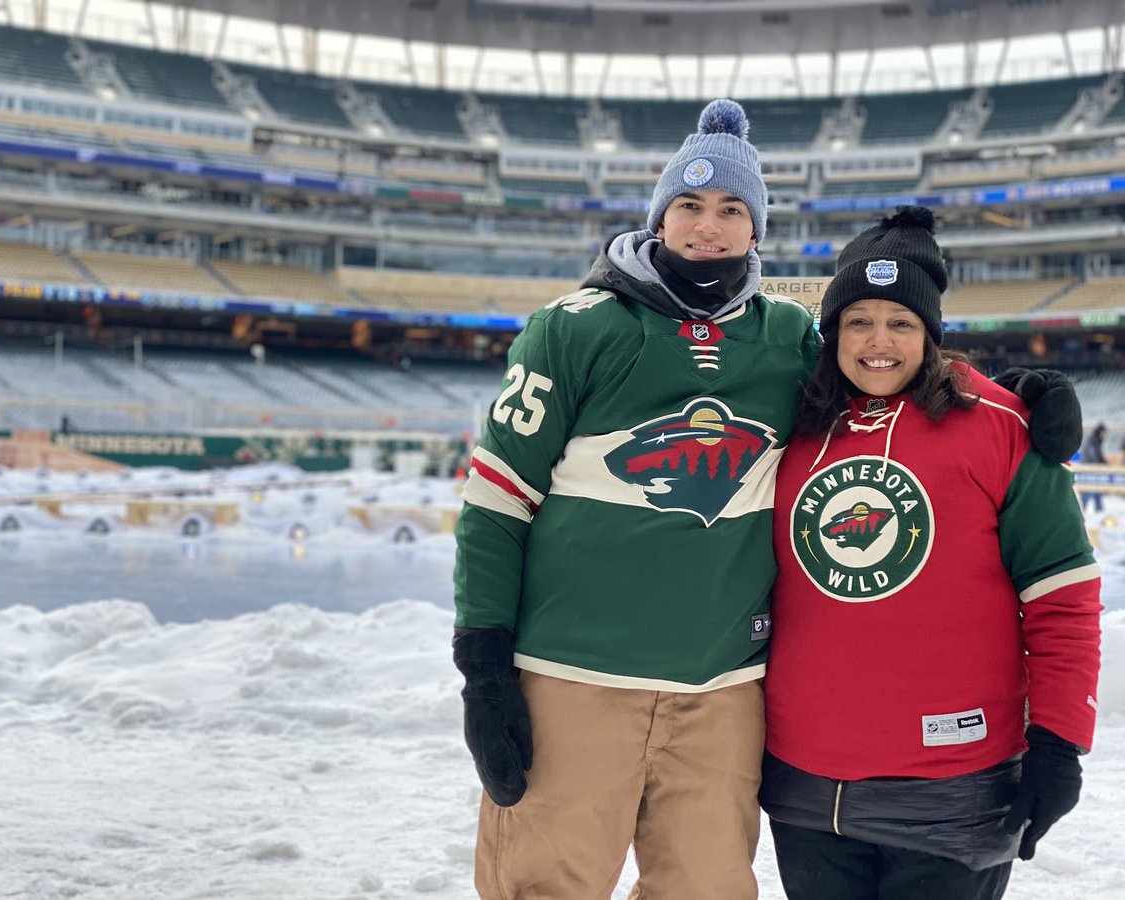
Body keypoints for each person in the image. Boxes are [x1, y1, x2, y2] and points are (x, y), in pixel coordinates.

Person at [452, 99, 1084, 899]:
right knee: (544, 885)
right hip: (575, 678)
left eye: (730, 210)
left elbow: (886, 357)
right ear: (658, 215)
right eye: (689, 204)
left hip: (722, 693)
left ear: (757, 230)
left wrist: (1013, 393)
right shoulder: (573, 329)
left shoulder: (787, 339)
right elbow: (495, 505)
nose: (707, 226)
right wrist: (482, 665)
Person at [760, 206, 1102, 900]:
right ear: (832, 336)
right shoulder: (790, 427)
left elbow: (1063, 603)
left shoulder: (1001, 427)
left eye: (901, 322)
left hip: (956, 799)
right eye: (858, 321)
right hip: (805, 796)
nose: (878, 341)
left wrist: (1060, 745)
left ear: (931, 334)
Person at [1079, 422, 1108, 512]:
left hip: (1093, 471)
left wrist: (1104, 462)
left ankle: (1099, 510)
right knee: (1088, 492)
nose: (1104, 436)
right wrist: (1102, 463)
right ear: (1100, 432)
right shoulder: (1092, 442)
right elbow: (1092, 458)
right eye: (1103, 433)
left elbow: (1099, 456)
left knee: (1097, 491)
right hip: (1088, 471)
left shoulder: (1096, 442)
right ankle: (1083, 511)